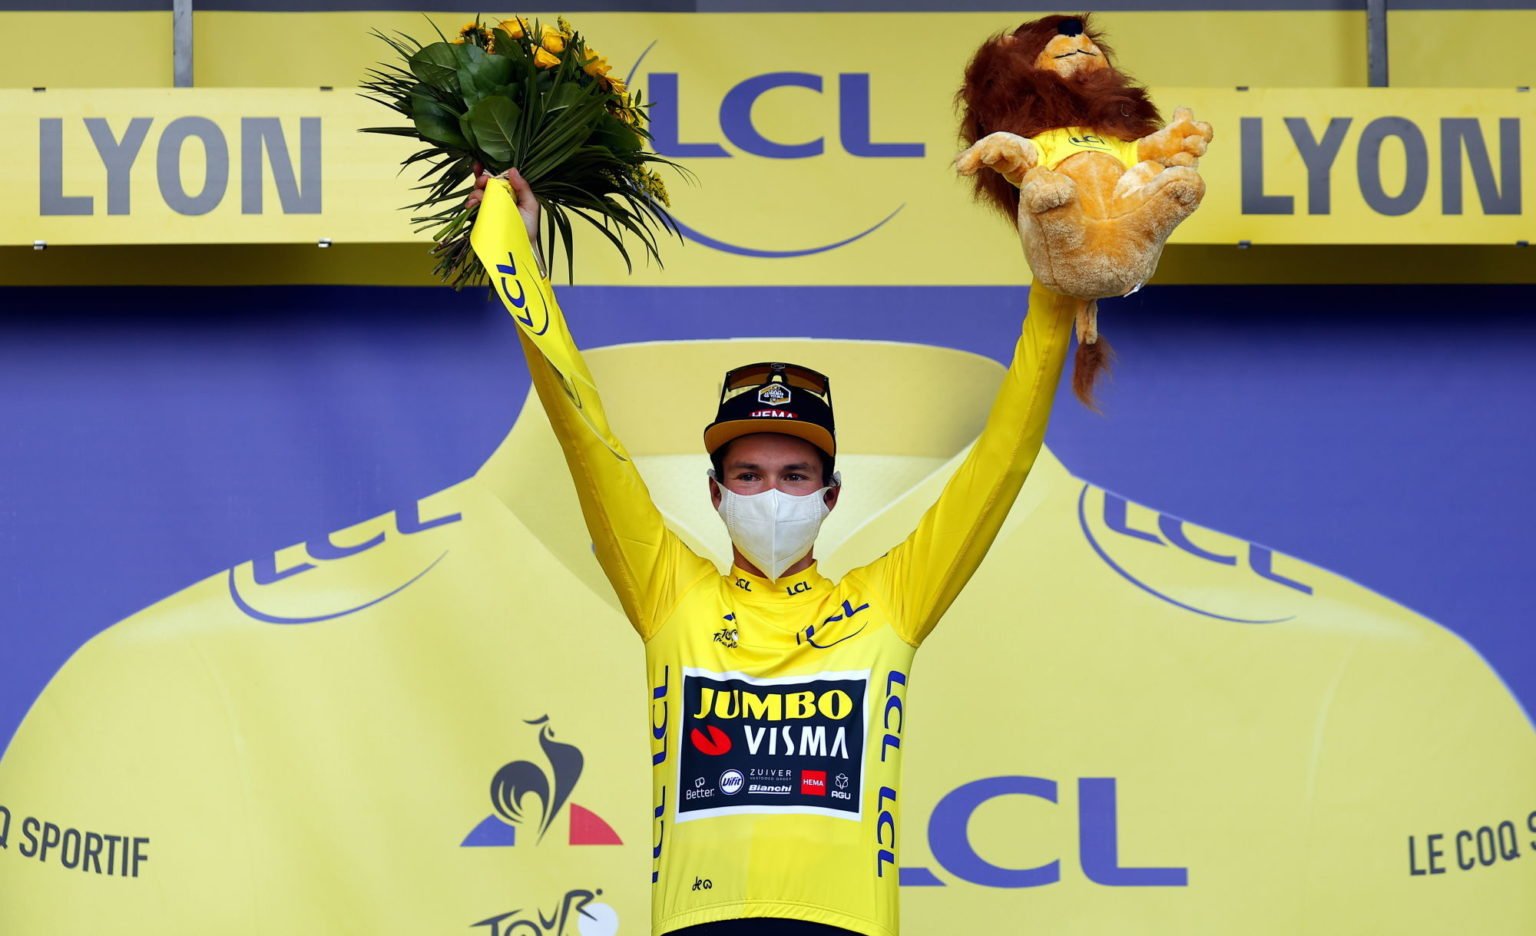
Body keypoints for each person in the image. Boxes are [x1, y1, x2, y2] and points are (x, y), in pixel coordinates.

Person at [467, 167, 1078, 936]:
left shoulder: (889, 601)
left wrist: (1054, 293)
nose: (772, 495)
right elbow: (583, 431)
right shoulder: (670, 593)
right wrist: (524, 265)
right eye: (749, 475)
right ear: (715, 493)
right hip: (701, 918)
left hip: (846, 922)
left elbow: (1003, 457)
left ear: (831, 495)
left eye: (795, 475)